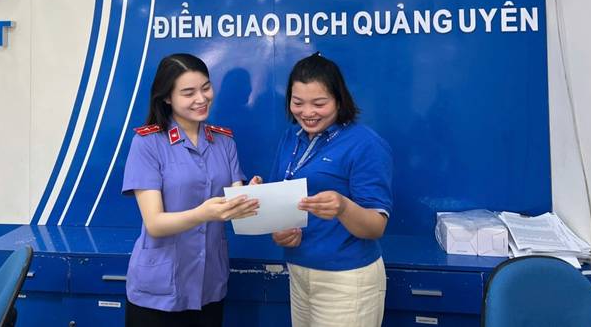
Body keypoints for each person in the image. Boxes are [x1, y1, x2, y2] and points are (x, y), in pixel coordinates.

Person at [122, 53, 259, 327]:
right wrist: (203, 213)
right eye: (188, 93)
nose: (201, 98)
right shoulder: (148, 143)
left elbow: (235, 205)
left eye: (206, 88)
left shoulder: (224, 141)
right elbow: (155, 224)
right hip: (158, 289)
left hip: (209, 284)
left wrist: (252, 197)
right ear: (167, 97)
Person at [269, 52, 393, 327]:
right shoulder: (291, 137)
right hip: (299, 271)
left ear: (339, 99)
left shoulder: (365, 144)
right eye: (297, 102)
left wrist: (344, 207)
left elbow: (376, 227)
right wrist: (278, 229)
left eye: (319, 103)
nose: (307, 112)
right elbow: (280, 195)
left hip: (346, 280)